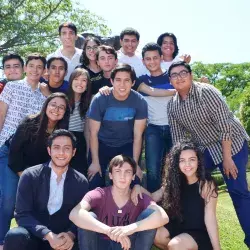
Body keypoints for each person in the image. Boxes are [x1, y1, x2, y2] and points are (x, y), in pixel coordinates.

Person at [167, 61, 250, 248]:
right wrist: (179, 167)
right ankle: (193, 235)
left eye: (183, 73)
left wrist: (227, 158)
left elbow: (225, 125)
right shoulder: (172, 106)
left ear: (190, 74)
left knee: (238, 191)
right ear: (170, 80)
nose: (179, 77)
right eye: (174, 75)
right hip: (206, 149)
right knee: (188, 182)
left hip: (232, 144)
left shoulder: (207, 92)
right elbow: (179, 141)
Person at [0, 93, 71, 241]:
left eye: (61, 107)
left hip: (33, 167)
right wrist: (25, 176)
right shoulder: (30, 122)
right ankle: (1, 240)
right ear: (46, 106)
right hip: (13, 159)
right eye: (53, 105)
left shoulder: (62, 131)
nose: (56, 109)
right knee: (8, 200)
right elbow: (15, 153)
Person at [4, 129, 89, 250]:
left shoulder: (81, 182)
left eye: (66, 148)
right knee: (15, 235)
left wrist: (71, 234)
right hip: (35, 236)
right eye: (56, 147)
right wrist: (47, 235)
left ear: (73, 152)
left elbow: (81, 215)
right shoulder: (30, 175)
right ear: (49, 150)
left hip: (63, 239)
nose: (61, 153)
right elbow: (22, 214)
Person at [132, 140, 220, 250]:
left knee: (175, 245)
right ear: (176, 164)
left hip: (199, 232)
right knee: (156, 235)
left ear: (199, 161)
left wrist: (217, 248)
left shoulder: (206, 184)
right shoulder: (173, 182)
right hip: (179, 227)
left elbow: (210, 218)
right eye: (182, 160)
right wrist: (138, 187)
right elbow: (152, 197)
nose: (187, 164)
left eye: (192, 159)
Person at [70, 154, 169, 250]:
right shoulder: (99, 194)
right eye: (118, 171)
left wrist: (129, 229)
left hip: (128, 245)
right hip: (100, 244)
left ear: (133, 176)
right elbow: (75, 213)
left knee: (149, 214)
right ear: (111, 175)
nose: (123, 176)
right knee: (88, 216)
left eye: (128, 172)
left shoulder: (139, 197)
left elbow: (163, 216)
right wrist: (109, 231)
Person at [87, 63, 148, 190]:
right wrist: (95, 162)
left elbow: (138, 136)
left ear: (133, 83)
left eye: (127, 80)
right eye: (118, 80)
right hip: (102, 144)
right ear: (111, 81)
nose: (122, 84)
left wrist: (135, 164)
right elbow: (93, 133)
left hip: (126, 145)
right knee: (94, 181)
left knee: (134, 181)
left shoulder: (140, 101)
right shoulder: (100, 99)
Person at [138, 43, 175, 192]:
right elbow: (152, 92)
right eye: (148, 59)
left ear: (161, 58)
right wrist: (175, 90)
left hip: (175, 126)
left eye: (155, 58)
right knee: (153, 170)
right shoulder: (140, 80)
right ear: (143, 61)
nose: (152, 62)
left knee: (176, 168)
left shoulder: (172, 76)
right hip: (153, 129)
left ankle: (176, 209)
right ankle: (154, 209)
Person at [67, 68, 92, 175]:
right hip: (63, 138)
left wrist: (88, 152)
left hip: (80, 141)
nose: (79, 83)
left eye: (84, 80)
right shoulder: (63, 99)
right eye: (76, 79)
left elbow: (87, 131)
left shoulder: (89, 102)